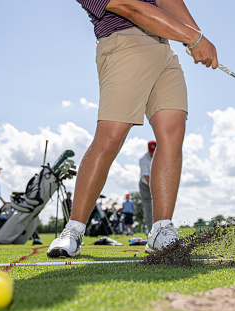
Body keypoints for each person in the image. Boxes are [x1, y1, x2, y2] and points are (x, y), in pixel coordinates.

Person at [47, 0, 217, 257]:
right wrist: (193, 38)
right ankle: (73, 230)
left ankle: (161, 230)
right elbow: (129, 8)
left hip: (164, 48)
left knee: (173, 134)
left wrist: (198, 37)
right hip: (123, 43)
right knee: (110, 137)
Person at [139, 140, 155, 233]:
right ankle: (151, 231)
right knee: (148, 208)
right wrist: (155, 190)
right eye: (151, 152)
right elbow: (147, 177)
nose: (152, 154)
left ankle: (162, 229)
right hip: (145, 184)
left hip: (156, 183)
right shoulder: (143, 159)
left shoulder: (161, 156)